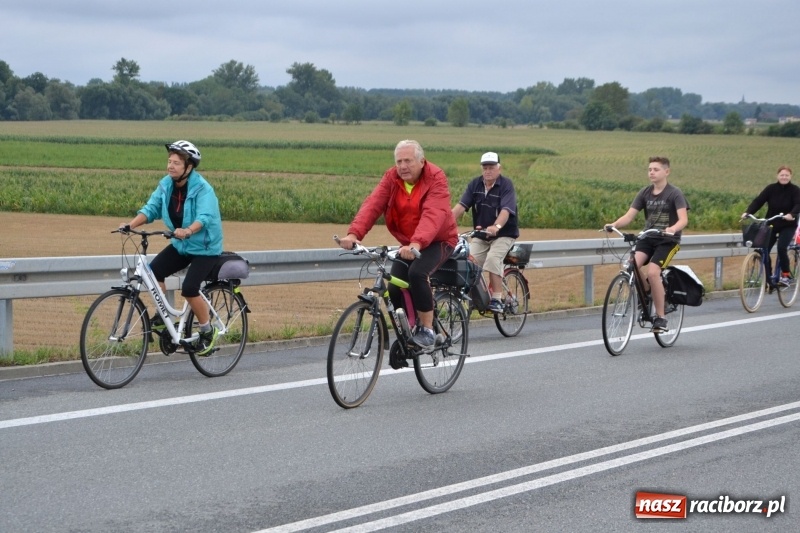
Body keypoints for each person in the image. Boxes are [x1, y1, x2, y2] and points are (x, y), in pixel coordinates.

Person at [337, 139, 458, 351]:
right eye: (399, 161)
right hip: (409, 244)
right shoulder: (391, 178)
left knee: (418, 274)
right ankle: (410, 336)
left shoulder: (436, 178)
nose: (403, 166)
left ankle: (428, 330)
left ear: (422, 161)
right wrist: (354, 234)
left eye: (408, 161)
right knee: (394, 287)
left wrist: (417, 243)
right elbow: (373, 204)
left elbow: (433, 214)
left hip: (439, 240)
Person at [119, 140, 224, 355]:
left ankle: (207, 331)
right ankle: (165, 318)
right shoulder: (166, 185)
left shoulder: (203, 189)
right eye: (169, 161)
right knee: (153, 272)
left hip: (204, 248)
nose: (170, 166)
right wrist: (131, 224)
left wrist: (188, 230)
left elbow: (205, 216)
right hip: (182, 245)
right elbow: (151, 208)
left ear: (189, 167)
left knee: (189, 288)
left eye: (176, 163)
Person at [604, 156, 689, 333]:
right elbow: (629, 216)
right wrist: (614, 225)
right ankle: (647, 294)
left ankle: (661, 317)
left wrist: (672, 229)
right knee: (630, 264)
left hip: (667, 241)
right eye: (650, 169)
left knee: (652, 272)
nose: (651, 172)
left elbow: (683, 219)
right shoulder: (644, 193)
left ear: (667, 171)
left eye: (656, 169)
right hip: (648, 238)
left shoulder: (675, 193)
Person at [451, 151, 520, 313]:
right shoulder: (475, 185)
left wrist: (496, 227)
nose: (488, 171)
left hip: (504, 234)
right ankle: (473, 297)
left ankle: (496, 298)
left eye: (491, 167)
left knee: (493, 259)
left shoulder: (506, 185)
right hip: (481, 235)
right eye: (485, 167)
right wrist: (445, 223)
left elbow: (506, 210)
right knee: (470, 262)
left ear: (499, 168)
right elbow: (461, 207)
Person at [741, 165, 800, 289]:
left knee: (781, 247)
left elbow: (798, 204)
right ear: (777, 176)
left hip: (787, 225)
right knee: (763, 248)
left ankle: (785, 275)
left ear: (790, 176)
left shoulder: (795, 190)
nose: (784, 177)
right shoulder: (770, 189)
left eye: (786, 175)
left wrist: (791, 214)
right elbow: (759, 201)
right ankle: (769, 277)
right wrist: (748, 212)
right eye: (782, 175)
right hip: (772, 223)